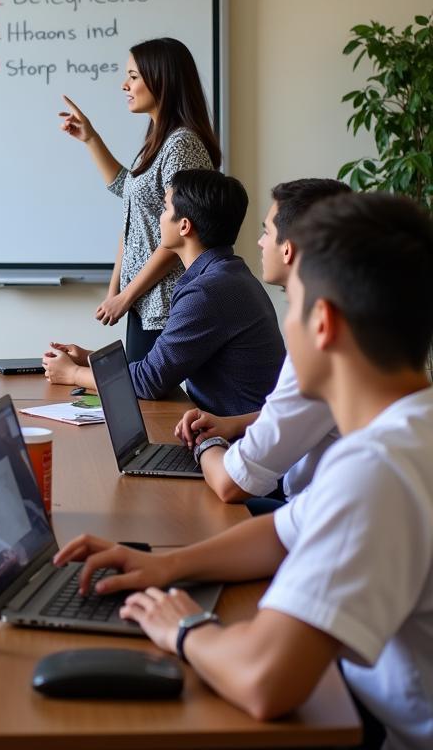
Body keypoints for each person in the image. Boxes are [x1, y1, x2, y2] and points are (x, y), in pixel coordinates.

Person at [55, 192, 433, 750]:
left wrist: (181, 626)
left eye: (294, 304)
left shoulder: (376, 469)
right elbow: (285, 531)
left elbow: (265, 680)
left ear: (322, 323)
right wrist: (165, 566)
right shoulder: (408, 430)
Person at [43, 170, 284, 417]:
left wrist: (73, 374)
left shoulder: (206, 291)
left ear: (184, 226)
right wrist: (91, 360)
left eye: (165, 208)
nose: (159, 217)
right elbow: (155, 368)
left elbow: (149, 381)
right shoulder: (229, 274)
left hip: (236, 443)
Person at [173, 178, 348, 511]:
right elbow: (300, 410)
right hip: (309, 505)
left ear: (288, 248)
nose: (258, 241)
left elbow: (231, 483)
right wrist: (230, 425)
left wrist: (204, 444)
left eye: (266, 231)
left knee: (180, 508)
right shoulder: (346, 320)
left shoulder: (320, 341)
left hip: (305, 507)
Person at [58, 37, 221, 362]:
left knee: (149, 404)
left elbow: (182, 233)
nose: (124, 85)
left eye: (133, 76)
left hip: (166, 302)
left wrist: (125, 295)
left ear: (162, 80)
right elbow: (131, 203)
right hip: (145, 302)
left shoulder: (182, 145)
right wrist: (90, 139)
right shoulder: (157, 142)